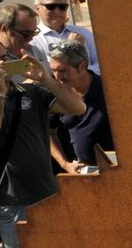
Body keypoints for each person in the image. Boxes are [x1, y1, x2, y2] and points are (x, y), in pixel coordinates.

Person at [0, 38, 86, 248]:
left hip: (46, 192)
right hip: (10, 198)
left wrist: (45, 78)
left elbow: (77, 107)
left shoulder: (30, 92)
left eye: (4, 59)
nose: (1, 66)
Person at [47, 41, 112, 172]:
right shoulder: (56, 94)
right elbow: (48, 133)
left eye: (62, 70)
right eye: (53, 70)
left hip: (113, 170)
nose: (57, 77)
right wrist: (65, 164)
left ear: (81, 66)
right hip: (79, 172)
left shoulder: (107, 91)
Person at [30, 0, 99, 73]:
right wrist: (71, 47)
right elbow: (44, 74)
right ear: (37, 9)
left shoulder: (83, 33)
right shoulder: (32, 40)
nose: (57, 11)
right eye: (51, 7)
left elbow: (101, 64)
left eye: (62, 7)